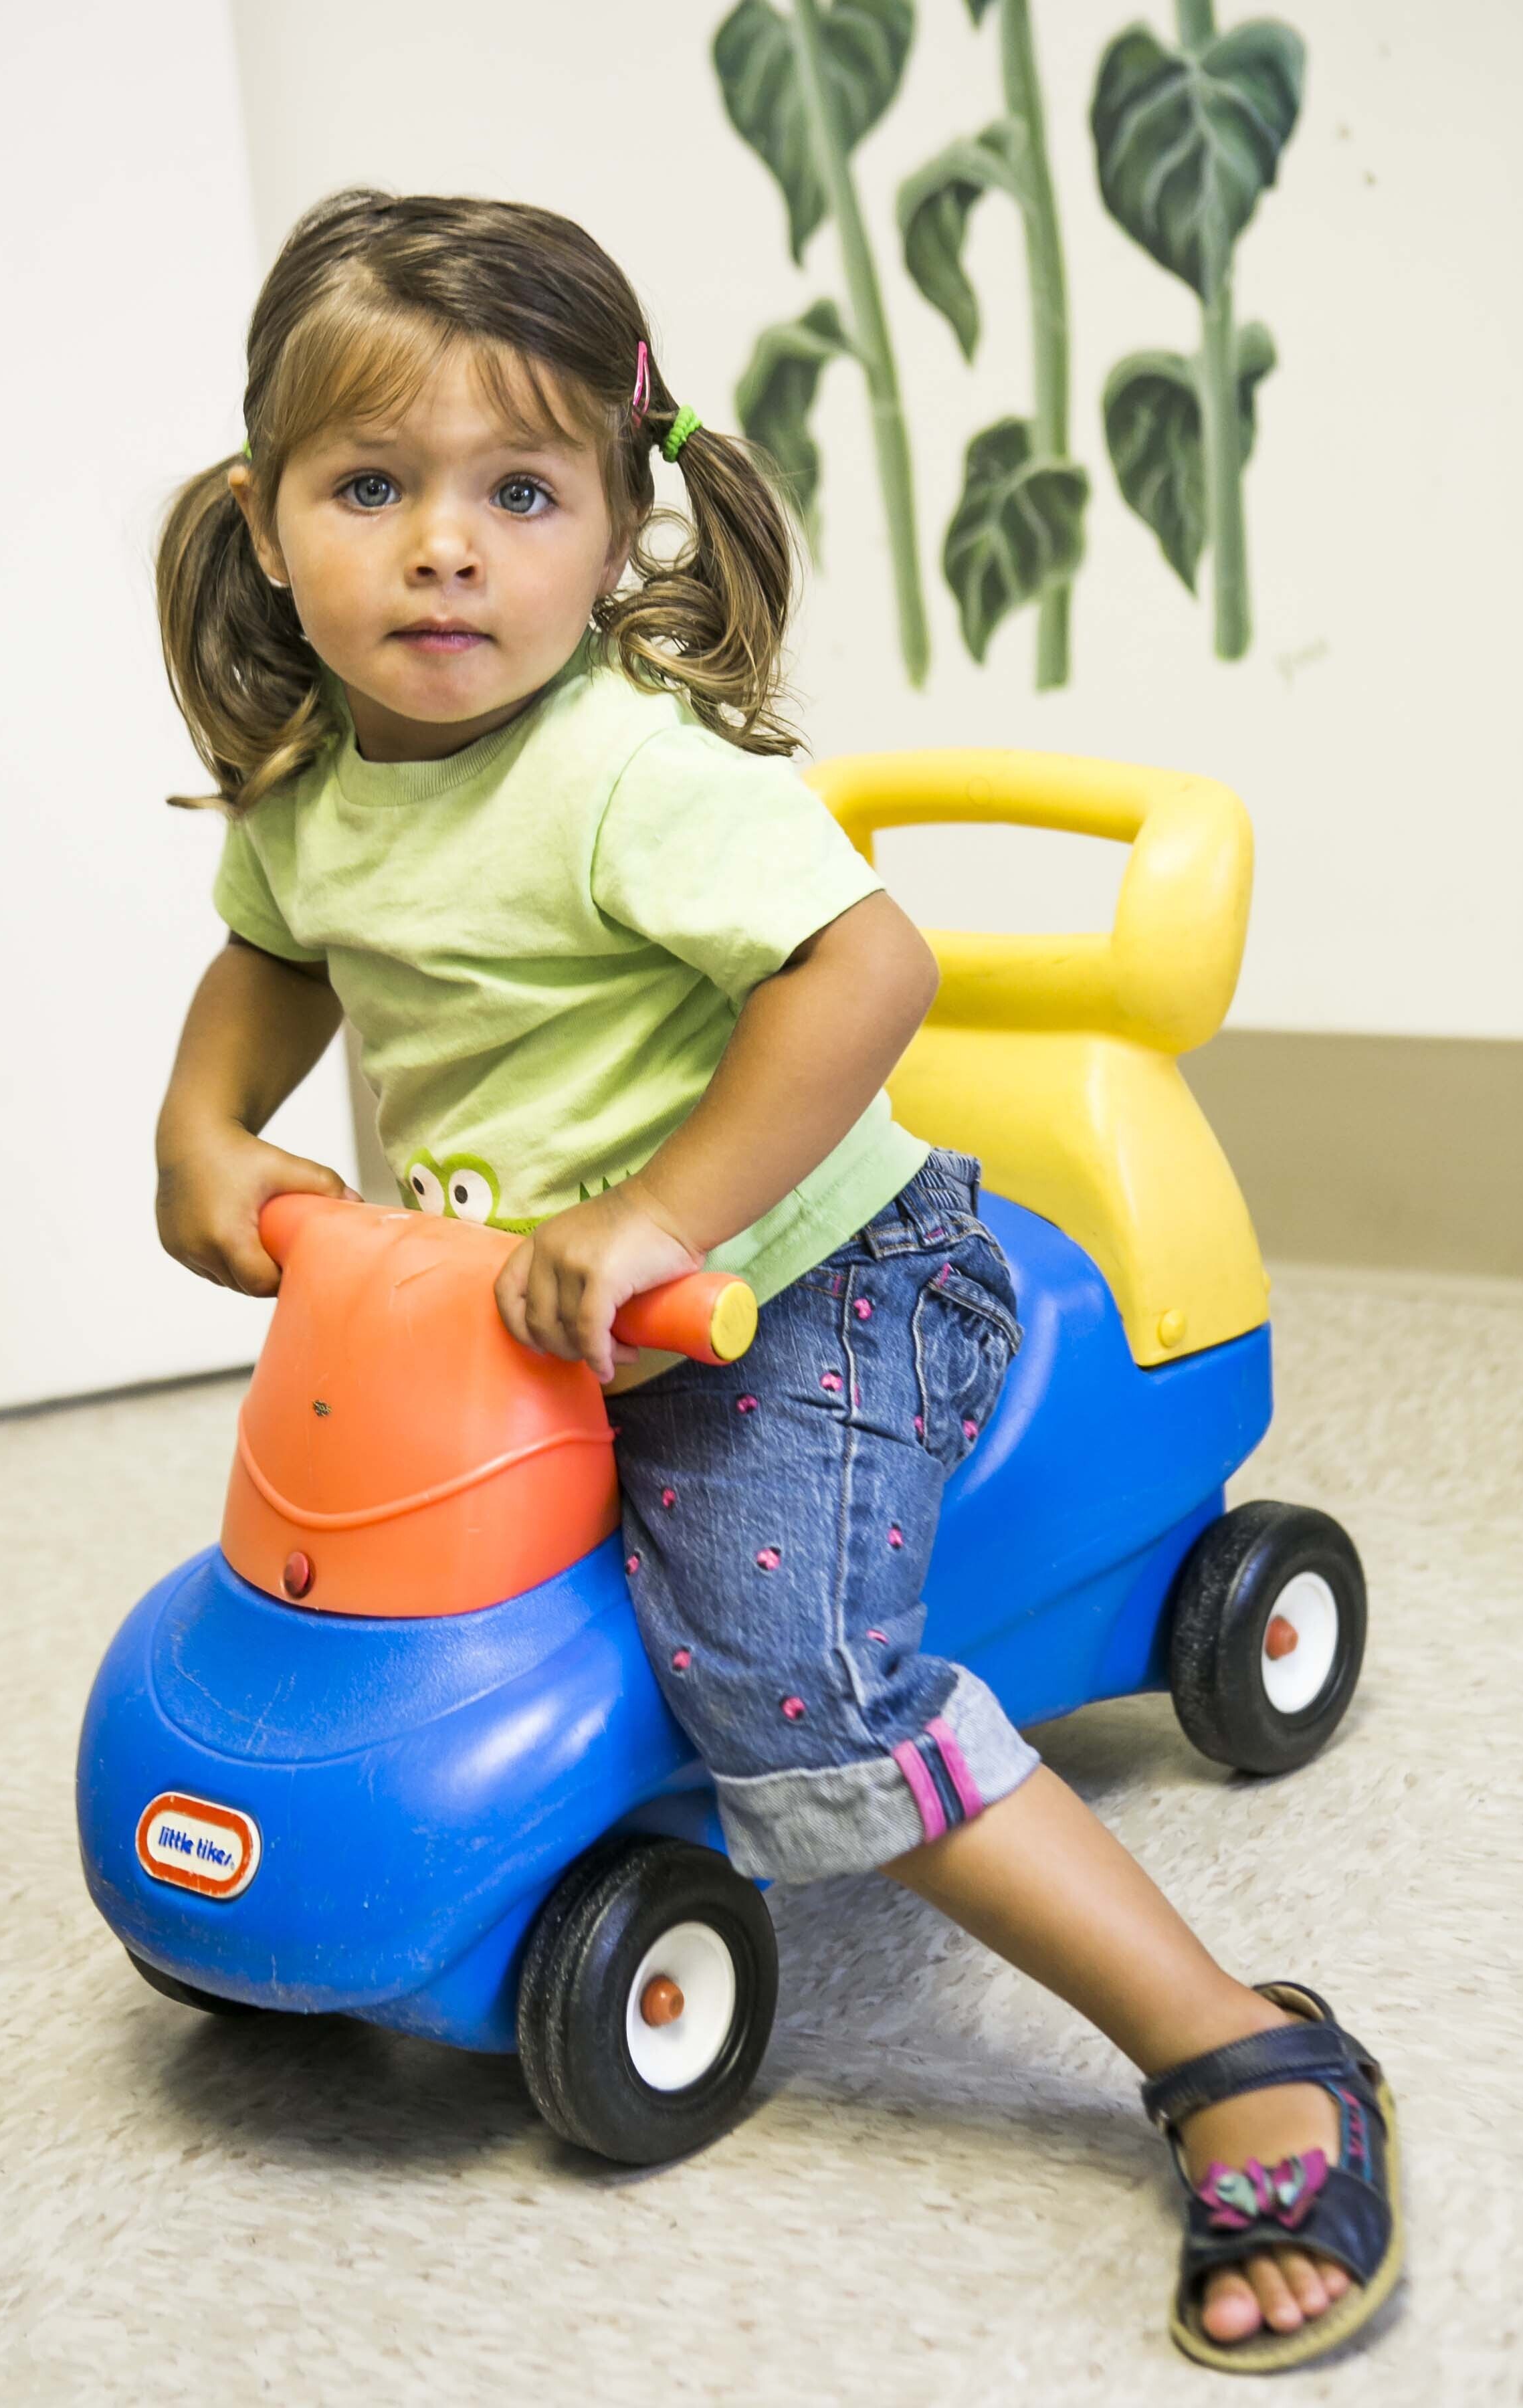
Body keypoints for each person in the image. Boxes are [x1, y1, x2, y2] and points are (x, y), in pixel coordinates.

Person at [150, 187, 1400, 2373]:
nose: (443, 547)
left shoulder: (626, 774)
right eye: (371, 487)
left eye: (518, 491)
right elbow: (269, 965)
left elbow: (868, 963)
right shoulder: (316, 787)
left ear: (619, 522)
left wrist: (669, 1215)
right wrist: (207, 1130)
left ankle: (1238, 2044)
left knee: (784, 1675)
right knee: (328, 1565)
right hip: (514, 1310)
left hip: (804, 1284)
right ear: (269, 525)